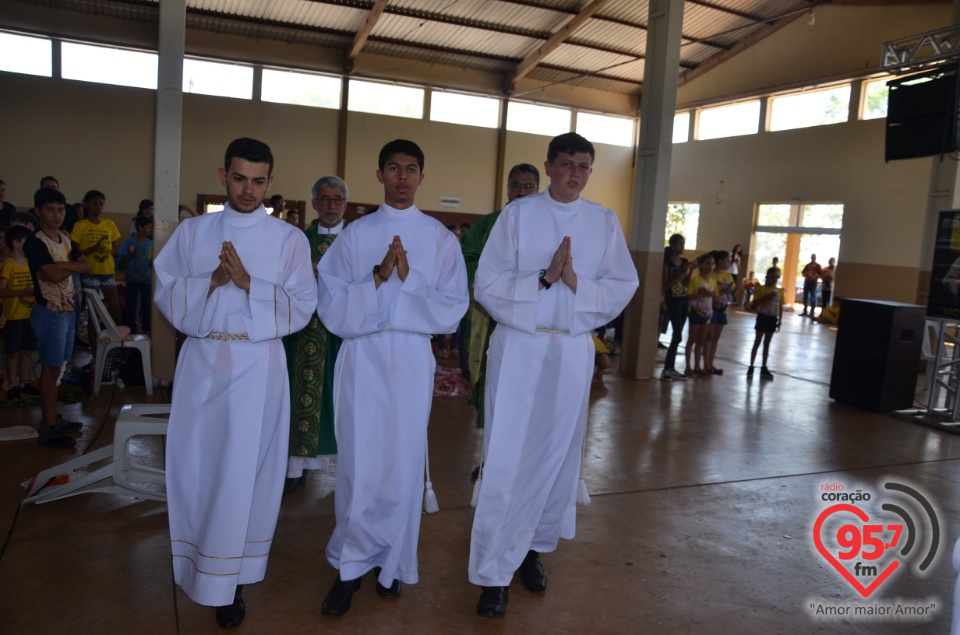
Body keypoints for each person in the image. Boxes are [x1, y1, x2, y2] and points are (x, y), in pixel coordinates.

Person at [469, 132, 638, 618]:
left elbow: (623, 285)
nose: (576, 175)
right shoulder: (519, 215)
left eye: (584, 166)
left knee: (557, 455)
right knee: (507, 455)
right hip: (521, 345)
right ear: (549, 167)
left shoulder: (603, 222)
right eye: (567, 164)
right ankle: (491, 572)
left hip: (570, 350)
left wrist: (575, 282)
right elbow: (487, 284)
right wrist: (543, 279)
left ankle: (532, 550)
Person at [153, 138, 317, 629]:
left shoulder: (290, 240)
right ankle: (196, 565)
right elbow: (165, 289)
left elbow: (303, 305)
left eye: (259, 180)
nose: (249, 190)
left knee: (244, 474)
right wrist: (210, 280)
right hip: (202, 362)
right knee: (197, 466)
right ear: (223, 175)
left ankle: (232, 583)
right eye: (240, 178)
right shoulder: (192, 232)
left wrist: (249, 283)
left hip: (256, 367)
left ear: (271, 182)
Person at [315, 139, 468, 617]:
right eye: (394, 169)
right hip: (363, 357)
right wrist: (377, 278)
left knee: (401, 465)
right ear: (379, 174)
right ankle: (350, 564)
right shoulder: (355, 236)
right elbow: (331, 305)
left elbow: (452, 309)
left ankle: (394, 563)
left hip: (409, 357)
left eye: (411, 170)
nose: (402, 178)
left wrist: (411, 277)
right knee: (359, 464)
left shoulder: (441, 239)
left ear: (422, 177)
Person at [282, 175, 349, 495]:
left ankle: (349, 470)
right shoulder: (298, 241)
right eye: (324, 199)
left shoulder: (357, 239)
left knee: (344, 401)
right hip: (304, 335)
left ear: (345, 203)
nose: (331, 205)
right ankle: (295, 469)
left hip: (344, 337)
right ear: (314, 203)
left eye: (337, 199)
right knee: (301, 400)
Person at [462, 163, 540, 422]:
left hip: (533, 316)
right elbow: (466, 256)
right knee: (492, 379)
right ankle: (488, 459)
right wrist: (497, 276)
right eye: (515, 185)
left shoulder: (546, 224)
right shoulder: (487, 224)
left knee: (528, 387)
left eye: (528, 186)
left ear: (538, 189)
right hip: (492, 317)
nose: (521, 191)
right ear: (507, 189)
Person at [23, 187, 90, 447]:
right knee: (50, 369)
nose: (56, 215)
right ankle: (48, 426)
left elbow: (86, 266)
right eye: (50, 210)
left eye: (60, 210)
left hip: (69, 310)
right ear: (38, 212)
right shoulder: (35, 241)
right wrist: (65, 268)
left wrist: (60, 265)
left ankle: (52, 418)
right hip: (50, 313)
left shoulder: (66, 237)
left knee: (59, 367)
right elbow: (50, 276)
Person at [71, 189, 123, 325]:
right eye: (94, 203)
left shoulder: (109, 224)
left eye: (101, 204)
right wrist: (94, 247)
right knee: (93, 314)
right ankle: (94, 346)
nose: (98, 207)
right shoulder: (80, 225)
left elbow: (115, 246)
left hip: (108, 272)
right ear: (86, 205)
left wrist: (114, 251)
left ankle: (115, 343)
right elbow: (74, 252)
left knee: (115, 312)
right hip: (90, 273)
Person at [0, 224, 38, 400]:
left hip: (30, 315)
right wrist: (21, 293)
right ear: (16, 243)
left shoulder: (30, 262)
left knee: (26, 351)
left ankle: (24, 383)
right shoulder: (8, 264)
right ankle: (13, 385)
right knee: (13, 352)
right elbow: (1, 290)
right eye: (26, 242)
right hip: (14, 316)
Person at [660, 234, 692, 381]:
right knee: (677, 335)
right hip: (673, 301)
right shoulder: (667, 262)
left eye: (683, 244)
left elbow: (686, 284)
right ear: (673, 245)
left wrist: (689, 271)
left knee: (677, 335)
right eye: (680, 244)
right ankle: (666, 369)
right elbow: (665, 285)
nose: (682, 247)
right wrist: (681, 275)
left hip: (684, 300)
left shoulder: (684, 261)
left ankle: (671, 368)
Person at [747, 267, 783, 380]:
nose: (774, 279)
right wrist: (765, 298)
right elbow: (755, 303)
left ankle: (764, 367)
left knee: (767, 343)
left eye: (776, 277)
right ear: (767, 276)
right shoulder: (762, 289)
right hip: (762, 317)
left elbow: (780, 306)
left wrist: (779, 321)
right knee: (757, 342)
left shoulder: (779, 291)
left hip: (772, 318)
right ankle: (751, 366)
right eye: (772, 276)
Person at [118, 216, 153, 334]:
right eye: (148, 227)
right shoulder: (129, 242)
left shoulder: (151, 243)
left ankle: (146, 328)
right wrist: (129, 253)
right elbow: (122, 260)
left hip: (147, 279)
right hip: (132, 279)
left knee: (146, 306)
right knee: (131, 305)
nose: (150, 229)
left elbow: (152, 262)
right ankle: (131, 328)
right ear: (140, 228)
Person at [685, 253, 716, 377]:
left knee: (701, 341)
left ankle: (697, 366)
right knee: (692, 339)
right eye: (707, 263)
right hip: (695, 312)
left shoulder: (712, 281)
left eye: (712, 264)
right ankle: (688, 366)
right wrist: (700, 294)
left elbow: (715, 295)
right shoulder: (695, 280)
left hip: (707, 314)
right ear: (701, 265)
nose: (710, 266)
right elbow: (688, 297)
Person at [705, 249, 734, 375]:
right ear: (720, 261)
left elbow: (731, 290)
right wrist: (723, 291)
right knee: (709, 336)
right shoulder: (711, 275)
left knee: (716, 337)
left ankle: (710, 364)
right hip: (711, 307)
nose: (729, 263)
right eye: (727, 260)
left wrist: (729, 290)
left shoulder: (727, 276)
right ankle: (705, 364)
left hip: (722, 308)